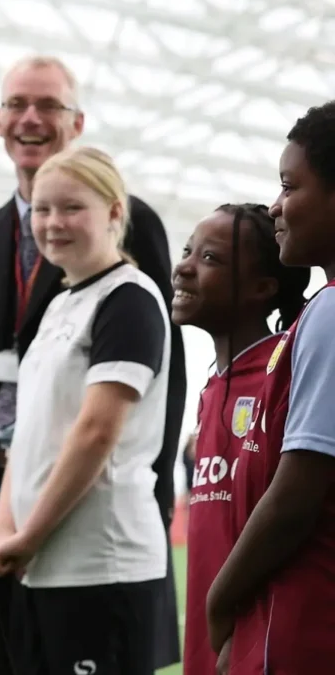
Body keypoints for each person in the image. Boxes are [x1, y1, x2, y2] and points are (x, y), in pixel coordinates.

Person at [0, 55, 185, 664]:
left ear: (77, 123)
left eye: (48, 105)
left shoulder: (128, 264)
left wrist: (153, 487)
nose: (30, 118)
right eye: (17, 105)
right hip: (3, 493)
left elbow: (153, 382)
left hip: (96, 519)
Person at [0, 147, 170, 675]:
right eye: (42, 209)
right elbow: (27, 434)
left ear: (114, 211)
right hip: (44, 565)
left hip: (101, 567)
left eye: (72, 208)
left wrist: (29, 537)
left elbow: (96, 433)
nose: (53, 223)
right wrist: (4, 530)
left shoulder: (129, 299)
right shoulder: (60, 305)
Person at [206, 100, 335, 675]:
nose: (276, 206)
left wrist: (219, 601)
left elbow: (294, 498)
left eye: (289, 185)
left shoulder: (329, 312)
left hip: (303, 624)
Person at [171, 203, 309, 675]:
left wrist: (236, 623)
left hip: (258, 647)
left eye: (209, 258)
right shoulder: (213, 388)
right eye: (187, 251)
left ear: (262, 288)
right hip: (210, 650)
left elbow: (293, 516)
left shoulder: (284, 374)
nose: (184, 267)